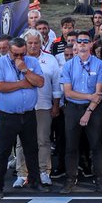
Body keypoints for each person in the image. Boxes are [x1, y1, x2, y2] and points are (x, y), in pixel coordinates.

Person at [0, 37, 45, 200]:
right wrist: (22, 84)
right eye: (16, 54)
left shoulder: (31, 62)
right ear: (8, 51)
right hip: (8, 115)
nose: (19, 57)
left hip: (27, 114)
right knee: (3, 151)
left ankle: (35, 180)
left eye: (22, 54)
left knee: (32, 149)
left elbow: (40, 82)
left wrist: (26, 70)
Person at [15, 31, 60, 188]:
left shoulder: (50, 59)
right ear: (25, 44)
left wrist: (56, 104)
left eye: (36, 43)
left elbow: (56, 85)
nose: (33, 46)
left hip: (43, 105)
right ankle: (22, 173)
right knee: (21, 142)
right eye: (30, 43)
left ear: (41, 43)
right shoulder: (19, 60)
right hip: (23, 107)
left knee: (43, 140)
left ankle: (44, 171)